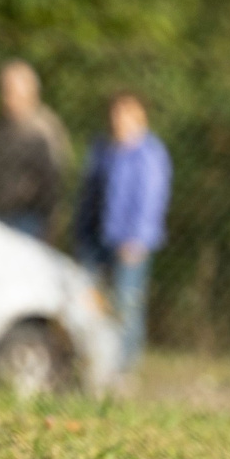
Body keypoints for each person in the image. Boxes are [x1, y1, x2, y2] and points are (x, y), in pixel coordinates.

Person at [72, 90, 172, 368]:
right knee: (89, 300)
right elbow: (87, 195)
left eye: (126, 113)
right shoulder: (102, 149)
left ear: (140, 116)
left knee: (126, 305)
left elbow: (151, 200)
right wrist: (80, 233)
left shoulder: (150, 154)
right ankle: (91, 362)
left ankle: (123, 368)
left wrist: (137, 240)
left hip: (129, 243)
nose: (119, 119)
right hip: (95, 237)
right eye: (115, 113)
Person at [0, 61, 71, 241]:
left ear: (29, 92)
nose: (5, 96)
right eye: (3, 89)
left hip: (28, 218)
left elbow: (54, 182)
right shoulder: (3, 125)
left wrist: (49, 226)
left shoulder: (43, 129)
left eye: (10, 90)